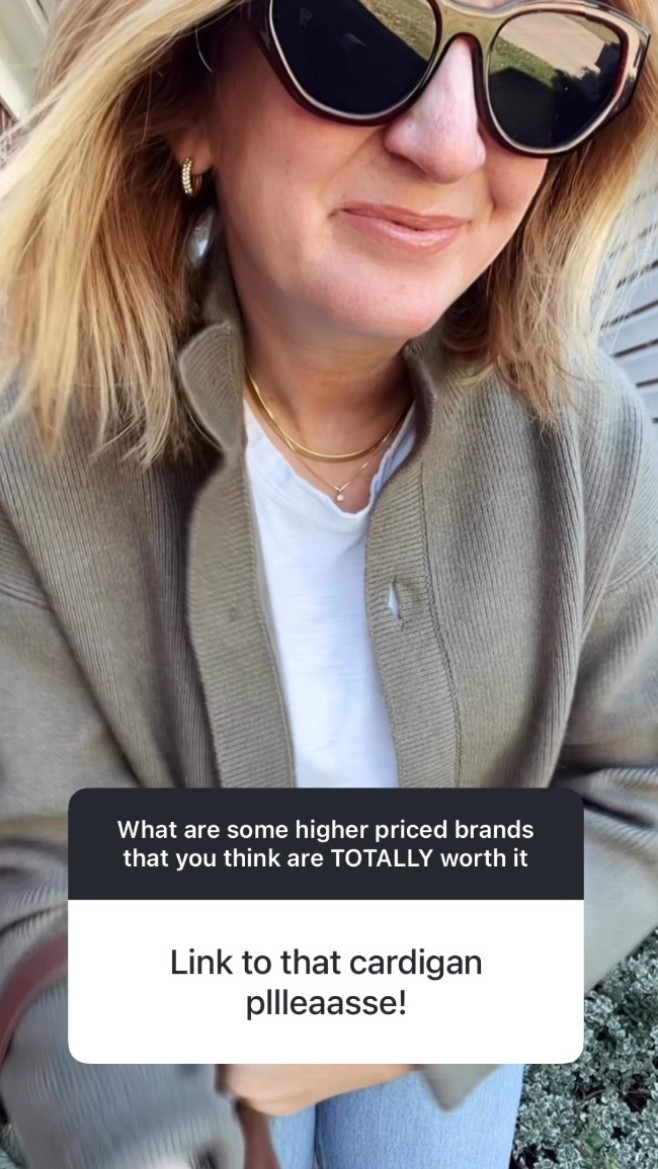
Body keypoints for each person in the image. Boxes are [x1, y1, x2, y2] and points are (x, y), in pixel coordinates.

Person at [0, 0, 657, 1167]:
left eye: (547, 66)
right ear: (186, 92)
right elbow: (33, 878)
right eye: (359, 30)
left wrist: (409, 995)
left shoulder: (590, 441)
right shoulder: (29, 451)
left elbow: (642, 782)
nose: (449, 143)